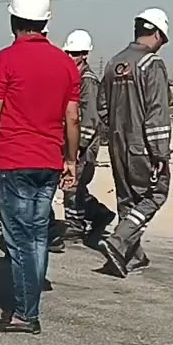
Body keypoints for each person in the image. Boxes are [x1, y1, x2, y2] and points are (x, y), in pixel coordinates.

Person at [0, 0, 80, 335]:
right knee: (37, 236)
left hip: (14, 163)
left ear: (13, 19)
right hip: (48, 162)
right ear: (46, 22)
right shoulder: (66, 65)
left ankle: (25, 314)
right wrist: (72, 161)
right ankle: (28, 306)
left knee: (18, 239)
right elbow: (72, 118)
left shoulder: (3, 61)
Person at [95, 8, 172, 277]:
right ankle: (118, 242)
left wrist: (115, 131)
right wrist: (160, 155)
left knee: (127, 199)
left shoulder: (113, 63)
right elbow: (157, 114)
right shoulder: (151, 65)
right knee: (155, 194)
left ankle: (132, 255)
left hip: (117, 144)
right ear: (156, 33)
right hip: (142, 147)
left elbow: (101, 106)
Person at [58, 29, 115, 243]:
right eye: (69, 53)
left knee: (72, 184)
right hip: (71, 140)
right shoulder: (72, 78)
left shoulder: (88, 82)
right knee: (75, 184)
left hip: (84, 143)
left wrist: (80, 144)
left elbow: (91, 117)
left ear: (84, 55)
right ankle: (99, 214)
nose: (70, 57)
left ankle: (75, 223)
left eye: (75, 54)